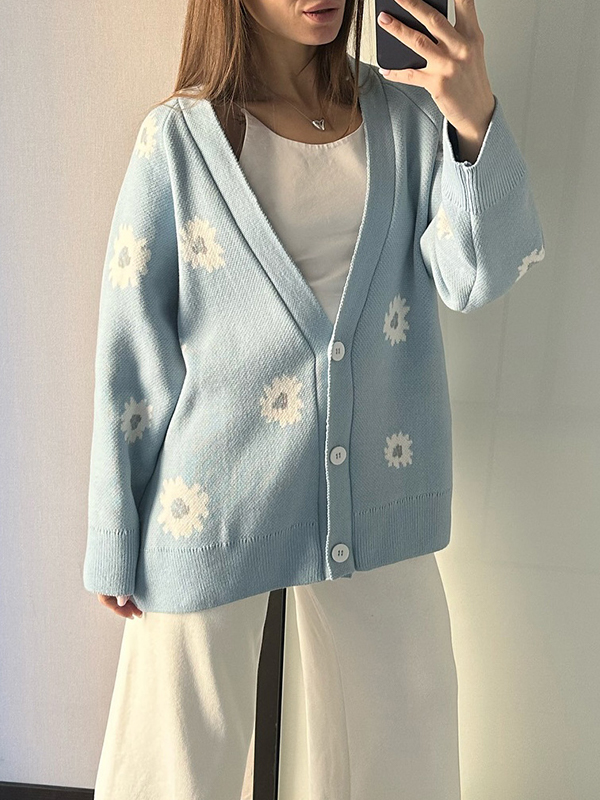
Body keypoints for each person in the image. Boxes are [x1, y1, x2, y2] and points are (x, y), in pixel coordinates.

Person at [84, 0, 546, 797]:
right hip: (207, 501)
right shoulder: (180, 141)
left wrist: (473, 119)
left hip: (380, 491)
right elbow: (133, 351)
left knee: (405, 738)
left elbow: (476, 275)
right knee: (173, 762)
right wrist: (113, 530)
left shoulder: (406, 119)